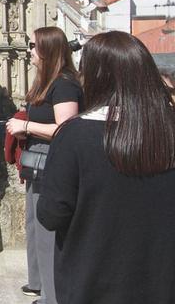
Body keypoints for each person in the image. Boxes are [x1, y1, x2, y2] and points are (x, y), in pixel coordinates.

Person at [37, 31, 175, 304]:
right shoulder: (168, 129)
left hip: (93, 280)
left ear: (96, 77)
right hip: (161, 281)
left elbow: (51, 214)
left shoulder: (75, 136)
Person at [6, 26, 82, 304]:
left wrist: (25, 125)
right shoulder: (47, 82)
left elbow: (66, 127)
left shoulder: (64, 84)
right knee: (35, 223)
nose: (28, 51)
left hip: (53, 162)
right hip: (38, 160)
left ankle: (53, 296)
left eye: (32, 46)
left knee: (48, 227)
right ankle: (39, 282)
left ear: (47, 50)